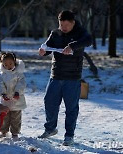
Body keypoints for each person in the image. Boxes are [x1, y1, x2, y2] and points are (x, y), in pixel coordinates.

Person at [38, 10, 92, 146]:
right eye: (61, 25)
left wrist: (72, 46)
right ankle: (50, 129)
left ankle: (69, 135)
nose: (63, 28)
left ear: (73, 23)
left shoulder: (81, 33)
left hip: (73, 77)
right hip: (56, 75)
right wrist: (43, 51)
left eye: (66, 25)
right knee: (49, 102)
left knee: (71, 108)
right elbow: (47, 47)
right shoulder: (55, 33)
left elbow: (89, 40)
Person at [0, 52, 26, 139]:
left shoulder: (19, 74)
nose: (8, 66)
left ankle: (15, 132)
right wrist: (3, 94)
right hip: (5, 101)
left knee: (16, 118)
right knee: (4, 117)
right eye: (5, 64)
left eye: (10, 64)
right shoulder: (1, 75)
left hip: (17, 100)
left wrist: (17, 92)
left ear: (14, 62)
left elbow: (21, 84)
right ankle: (3, 131)